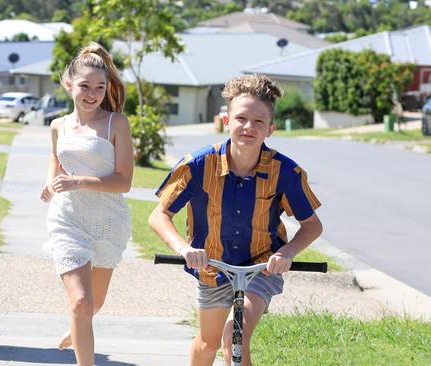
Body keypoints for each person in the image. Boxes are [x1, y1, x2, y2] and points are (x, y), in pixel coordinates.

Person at [149, 74, 323, 366]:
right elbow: (159, 215)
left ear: (270, 128)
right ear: (226, 122)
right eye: (241, 118)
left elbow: (312, 225)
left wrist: (287, 252)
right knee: (208, 344)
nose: (248, 127)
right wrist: (184, 249)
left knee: (234, 338)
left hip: (260, 268)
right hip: (212, 267)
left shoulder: (286, 172)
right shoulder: (197, 165)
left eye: (258, 121)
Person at [40, 42, 133, 366]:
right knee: (81, 301)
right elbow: (56, 158)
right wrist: (51, 182)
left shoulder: (116, 124)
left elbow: (124, 181)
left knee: (94, 304)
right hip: (67, 219)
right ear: (69, 84)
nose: (92, 93)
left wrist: (77, 180)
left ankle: (77, 330)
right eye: (84, 86)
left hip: (108, 221)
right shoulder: (58, 126)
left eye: (99, 87)